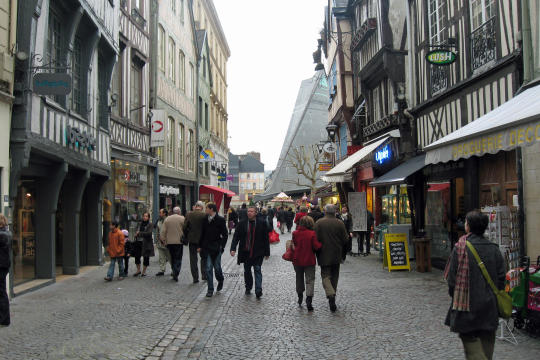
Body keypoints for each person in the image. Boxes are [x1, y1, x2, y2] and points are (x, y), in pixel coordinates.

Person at [444, 210, 505, 360]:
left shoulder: (460, 248)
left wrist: (456, 296)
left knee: (471, 344)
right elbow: (502, 279)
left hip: (466, 306)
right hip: (489, 306)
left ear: (468, 227)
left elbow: (452, 279)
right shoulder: (494, 249)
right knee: (487, 343)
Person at [230, 206, 271, 299]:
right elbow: (236, 237)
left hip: (258, 251)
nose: (249, 213)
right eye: (248, 211)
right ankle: (248, 287)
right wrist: (233, 248)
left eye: (251, 211)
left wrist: (267, 252)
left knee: (257, 269)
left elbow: (265, 238)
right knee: (247, 271)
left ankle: (258, 290)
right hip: (246, 252)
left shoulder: (262, 223)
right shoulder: (242, 223)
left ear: (256, 213)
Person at [314, 204, 349, 312]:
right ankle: (332, 296)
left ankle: (331, 294)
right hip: (336, 254)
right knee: (335, 276)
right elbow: (345, 239)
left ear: (325, 211)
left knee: (325, 276)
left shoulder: (319, 223)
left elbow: (315, 239)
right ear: (334, 212)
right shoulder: (339, 223)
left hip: (323, 254)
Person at [292, 216, 322, 311]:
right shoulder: (312, 234)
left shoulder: (295, 233)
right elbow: (316, 246)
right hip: (309, 259)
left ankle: (300, 295)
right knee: (310, 280)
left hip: (297, 259)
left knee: (299, 278)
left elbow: (295, 244)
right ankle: (309, 299)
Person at [198, 203, 228, 297]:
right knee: (208, 268)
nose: (205, 210)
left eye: (206, 208)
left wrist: (221, 246)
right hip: (206, 248)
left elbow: (225, 235)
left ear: (211, 209)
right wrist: (199, 246)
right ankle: (210, 289)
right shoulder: (204, 220)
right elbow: (202, 234)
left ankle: (220, 279)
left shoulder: (220, 220)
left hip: (216, 248)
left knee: (217, 268)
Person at [184, 201, 208, 283]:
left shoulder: (189, 214)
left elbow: (184, 227)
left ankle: (195, 277)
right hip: (203, 240)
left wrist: (187, 235)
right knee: (204, 258)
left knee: (193, 259)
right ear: (201, 207)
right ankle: (204, 275)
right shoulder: (205, 215)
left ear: (196, 206)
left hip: (192, 240)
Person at [160, 207, 185, 282]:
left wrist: (163, 240)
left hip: (169, 242)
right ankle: (176, 271)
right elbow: (186, 229)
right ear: (179, 212)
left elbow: (163, 231)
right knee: (178, 257)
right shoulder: (182, 218)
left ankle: (174, 271)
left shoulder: (167, 219)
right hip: (179, 242)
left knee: (172, 257)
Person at [133, 212, 154, 277]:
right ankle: (138, 270)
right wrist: (136, 234)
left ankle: (144, 272)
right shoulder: (139, 223)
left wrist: (139, 233)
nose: (144, 217)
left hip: (146, 243)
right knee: (137, 256)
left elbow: (149, 233)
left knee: (146, 257)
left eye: (146, 216)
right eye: (144, 216)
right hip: (138, 241)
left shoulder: (150, 224)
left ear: (148, 217)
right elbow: (136, 231)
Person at [0, 214, 12, 326]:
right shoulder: (7, 233)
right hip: (4, 265)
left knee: (1, 292)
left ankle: (4, 319)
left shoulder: (2, 235)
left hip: (1, 266)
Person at [155, 209, 171, 276]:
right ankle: (162, 269)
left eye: (160, 213)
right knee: (161, 257)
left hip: (167, 242)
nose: (159, 214)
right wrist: (157, 239)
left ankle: (173, 269)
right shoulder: (159, 220)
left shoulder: (168, 220)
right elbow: (157, 230)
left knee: (169, 257)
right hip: (160, 242)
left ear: (164, 213)